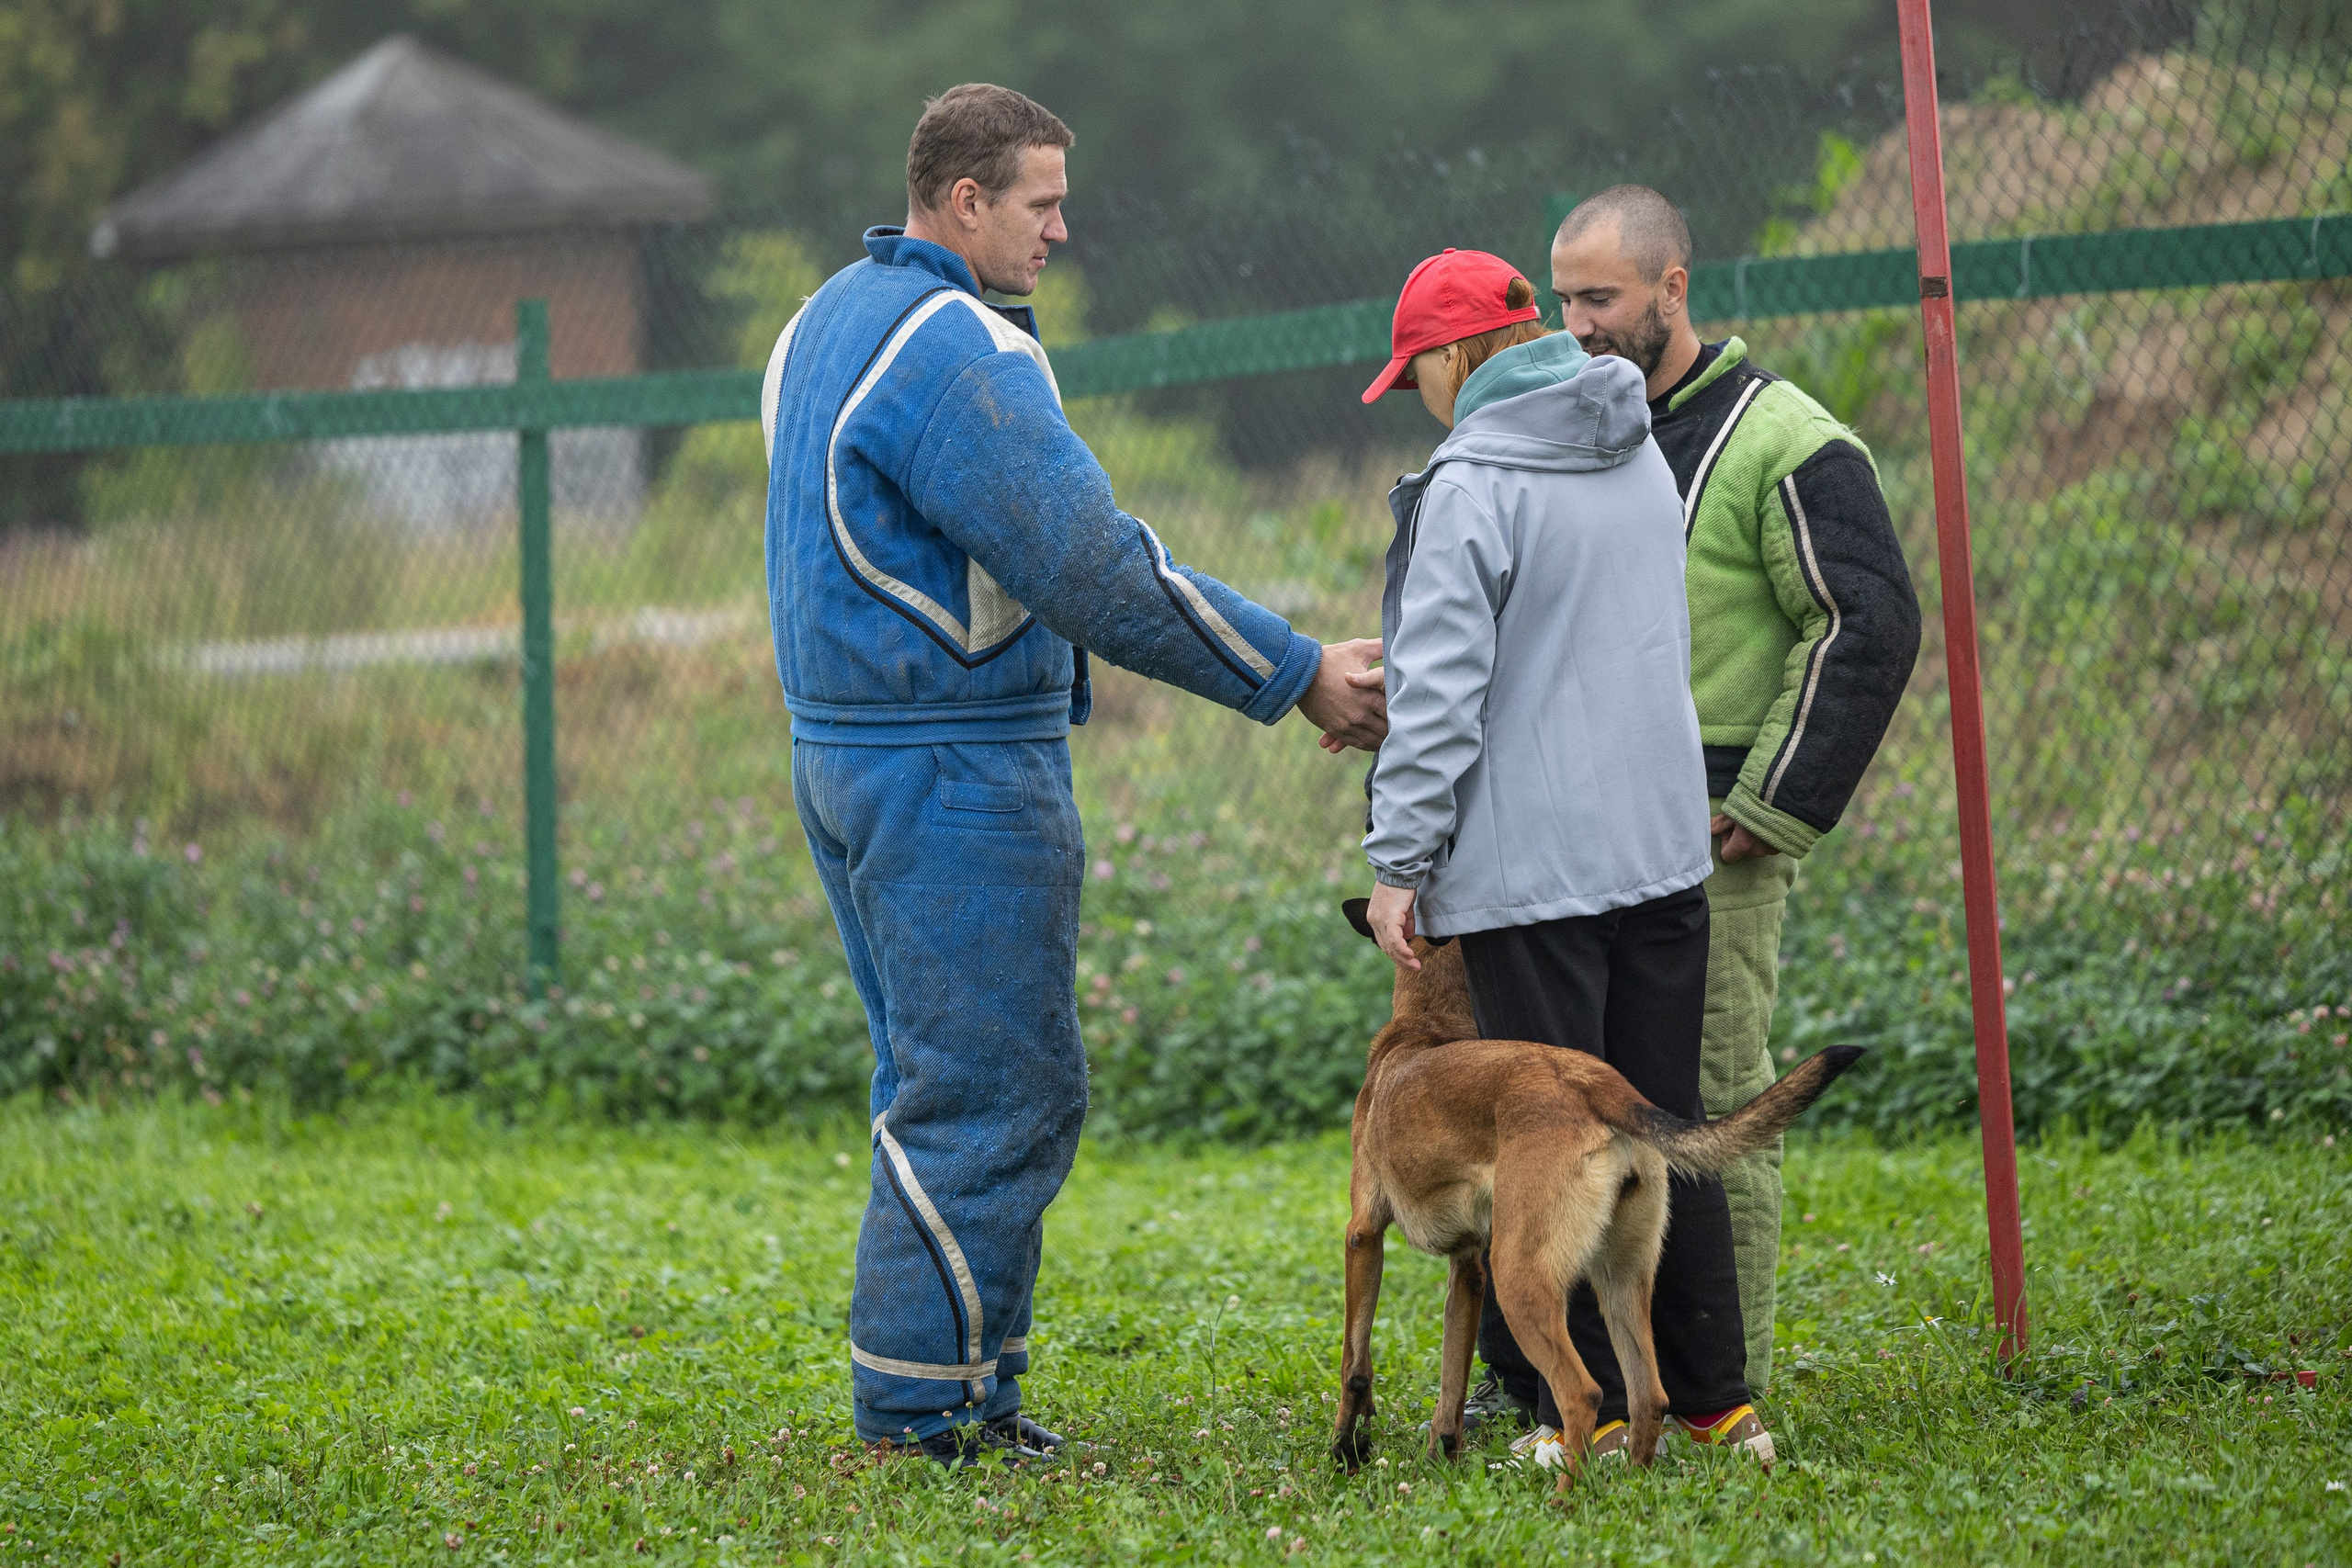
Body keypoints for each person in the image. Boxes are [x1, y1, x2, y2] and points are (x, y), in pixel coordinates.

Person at [760, 84, 1386, 1468]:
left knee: (937, 1078)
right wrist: (1294, 671)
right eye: (1041, 204)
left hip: (842, 753)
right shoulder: (952, 349)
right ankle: (928, 1416)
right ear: (965, 200)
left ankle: (960, 1391)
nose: (1061, 230)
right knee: (994, 1091)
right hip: (953, 765)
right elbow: (1093, 566)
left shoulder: (820, 322)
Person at [1356, 247, 1761, 1463]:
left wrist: (1400, 858)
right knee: (1656, 1128)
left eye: (1416, 375)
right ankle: (1717, 1405)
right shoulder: (1638, 448)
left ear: (1453, 356)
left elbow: (1444, 696)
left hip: (1533, 879)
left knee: (1548, 1146)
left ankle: (1566, 1414)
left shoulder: (1470, 483)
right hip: (1661, 854)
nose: (1420, 399)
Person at [1550, 186, 1922, 1400]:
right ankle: (1596, 1382)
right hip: (1575, 820)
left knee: (1709, 1109)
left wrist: (1774, 801)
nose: (1578, 324)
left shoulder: (1786, 436)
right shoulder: (1574, 423)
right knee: (1580, 1109)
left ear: (1674, 287)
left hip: (1713, 823)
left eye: (1601, 298)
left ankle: (1722, 1388)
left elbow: (1867, 622)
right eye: (1563, 299)